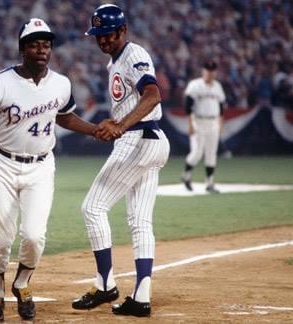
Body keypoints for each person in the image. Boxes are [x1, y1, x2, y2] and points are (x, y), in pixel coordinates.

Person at [0, 18, 112, 322]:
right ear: (22, 48)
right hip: (4, 163)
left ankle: (22, 283)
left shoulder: (61, 83)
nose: (42, 50)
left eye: (46, 44)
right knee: (1, 238)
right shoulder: (1, 82)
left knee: (33, 236)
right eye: (34, 44)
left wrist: (94, 130)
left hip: (41, 166)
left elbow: (65, 117)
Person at [72, 4, 170, 317]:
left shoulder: (133, 54)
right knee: (140, 222)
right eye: (98, 35)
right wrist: (116, 124)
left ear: (123, 30)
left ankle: (105, 286)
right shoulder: (116, 60)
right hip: (148, 139)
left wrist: (120, 125)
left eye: (108, 34)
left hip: (139, 138)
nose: (103, 40)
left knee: (92, 207)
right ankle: (142, 296)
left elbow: (152, 95)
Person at [181, 60, 226, 194]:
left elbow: (222, 107)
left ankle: (210, 182)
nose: (209, 73)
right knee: (197, 153)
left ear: (215, 72)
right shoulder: (195, 85)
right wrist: (189, 124)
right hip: (198, 122)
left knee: (211, 153)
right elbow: (188, 106)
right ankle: (186, 175)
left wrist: (220, 124)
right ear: (203, 71)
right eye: (207, 70)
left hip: (213, 122)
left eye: (212, 70)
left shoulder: (217, 86)